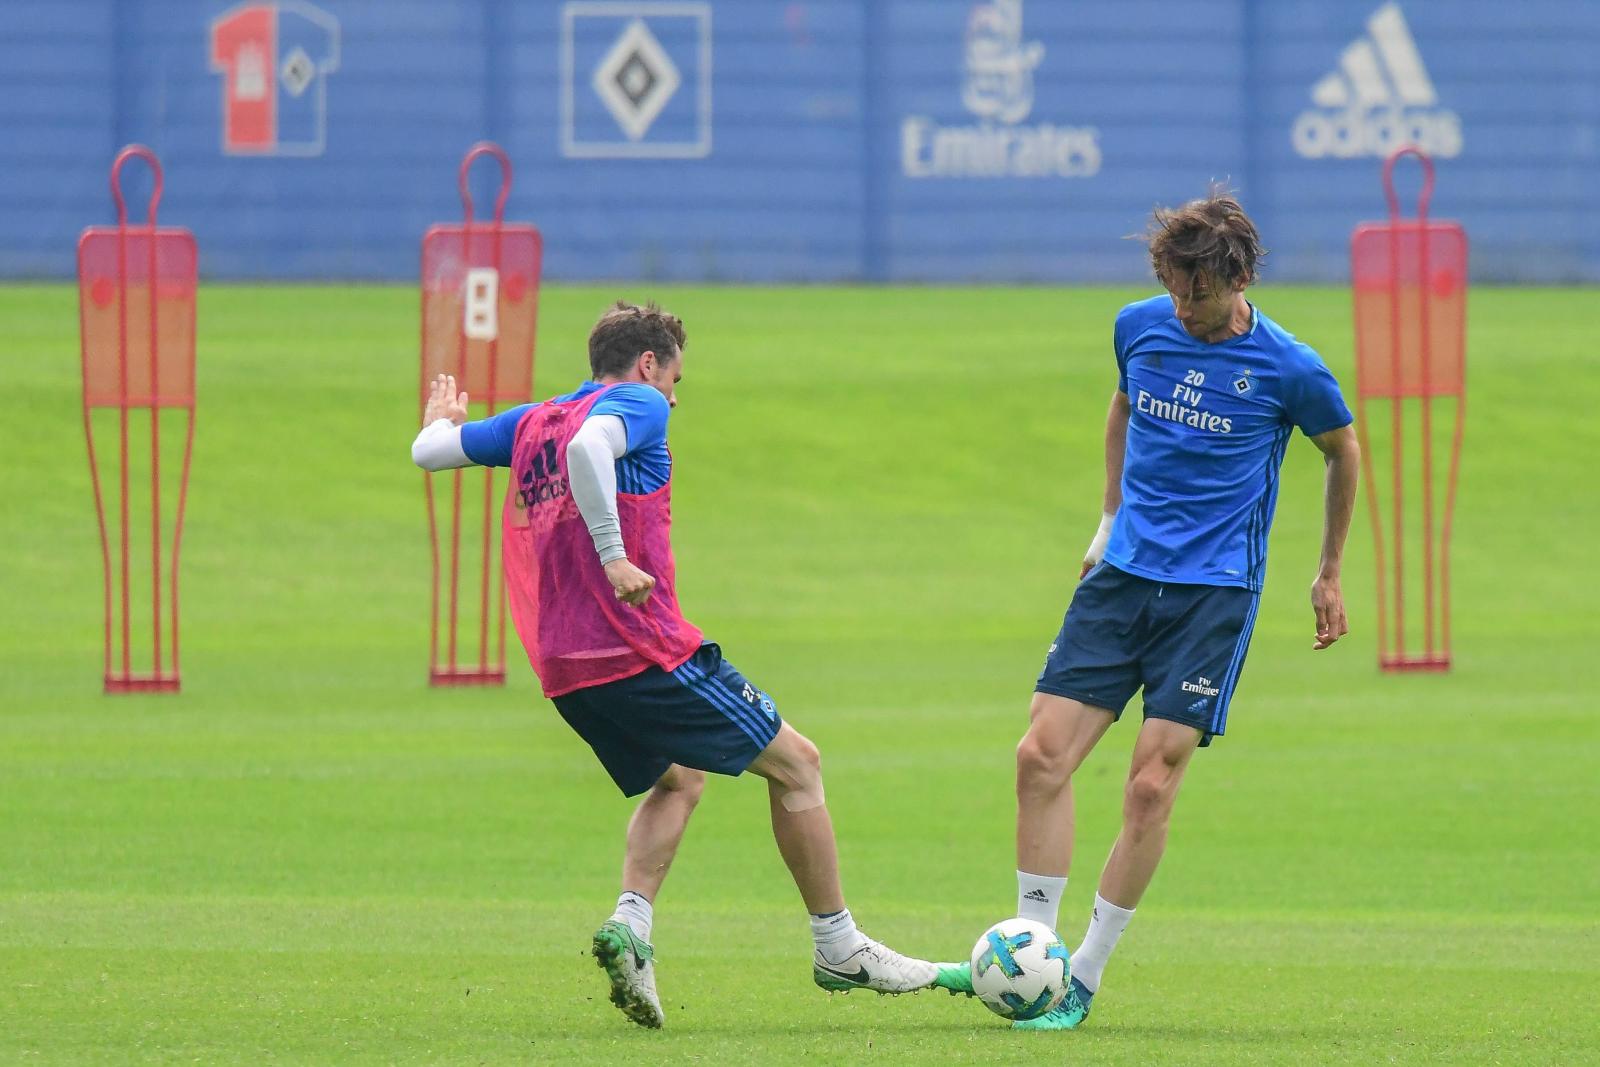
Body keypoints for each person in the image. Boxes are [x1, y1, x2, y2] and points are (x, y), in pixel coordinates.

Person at [411, 300, 938, 1029]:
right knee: (800, 766)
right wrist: (613, 552)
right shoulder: (634, 402)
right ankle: (838, 945)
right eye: (674, 378)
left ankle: (631, 929)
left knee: (679, 777)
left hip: (564, 664)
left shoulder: (534, 418)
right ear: (648, 363)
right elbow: (590, 451)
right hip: (639, 648)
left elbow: (430, 454)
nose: (674, 396)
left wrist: (440, 418)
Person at [934, 188, 1360, 1029]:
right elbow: (1124, 401)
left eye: (1196, 291)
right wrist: (1106, 518)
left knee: (1150, 784)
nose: (1182, 305)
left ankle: (1083, 977)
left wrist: (1329, 571)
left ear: (1236, 278)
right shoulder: (1138, 327)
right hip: (1123, 577)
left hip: (1213, 595)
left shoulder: (1288, 366)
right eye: (1172, 286)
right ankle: (1034, 955)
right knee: (1038, 757)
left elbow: (1342, 448)